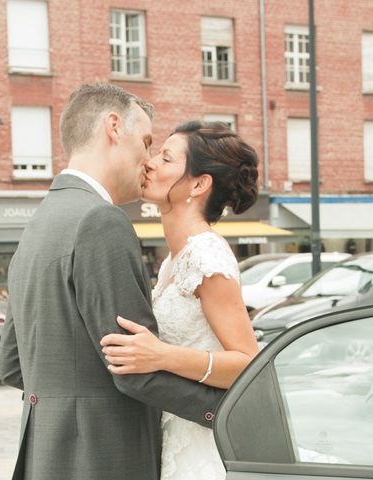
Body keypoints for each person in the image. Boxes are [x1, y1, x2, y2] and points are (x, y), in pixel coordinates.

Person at [0, 83, 225, 480]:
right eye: (147, 141)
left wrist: (66, 400)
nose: (148, 158)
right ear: (114, 127)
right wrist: (224, 412)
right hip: (103, 457)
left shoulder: (38, 225)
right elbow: (133, 366)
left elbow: (13, 364)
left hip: (47, 455)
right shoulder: (100, 221)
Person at [100, 121, 260, 479]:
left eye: (166, 159)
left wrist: (161, 355)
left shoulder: (207, 255)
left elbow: (248, 362)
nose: (150, 163)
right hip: (174, 432)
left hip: (203, 448)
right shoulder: (176, 258)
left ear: (200, 184)